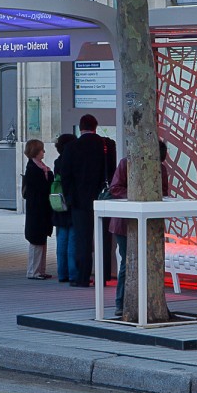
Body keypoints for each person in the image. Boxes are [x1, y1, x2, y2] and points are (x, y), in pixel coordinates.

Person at [108, 140, 171, 317]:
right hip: (125, 222)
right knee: (127, 263)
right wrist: (138, 196)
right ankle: (121, 303)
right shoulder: (126, 164)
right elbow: (115, 188)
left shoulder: (161, 169)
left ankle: (143, 301)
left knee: (147, 262)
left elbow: (164, 192)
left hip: (150, 221)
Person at [59, 114, 116, 288]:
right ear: (95, 127)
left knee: (82, 240)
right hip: (102, 198)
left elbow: (65, 176)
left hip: (79, 201)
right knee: (104, 238)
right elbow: (112, 172)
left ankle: (83, 277)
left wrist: (69, 198)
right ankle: (104, 275)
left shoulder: (71, 147)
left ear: (81, 127)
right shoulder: (107, 145)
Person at [22, 139, 54, 280]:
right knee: (36, 240)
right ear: (35, 152)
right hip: (36, 210)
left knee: (41, 240)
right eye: (41, 150)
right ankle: (33, 271)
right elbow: (42, 188)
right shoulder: (33, 170)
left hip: (42, 209)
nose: (44, 152)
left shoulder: (41, 167)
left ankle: (41, 270)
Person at [52, 133, 77, 284]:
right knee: (72, 238)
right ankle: (73, 273)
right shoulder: (72, 162)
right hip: (71, 202)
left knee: (61, 238)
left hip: (58, 202)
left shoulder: (57, 162)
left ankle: (62, 272)